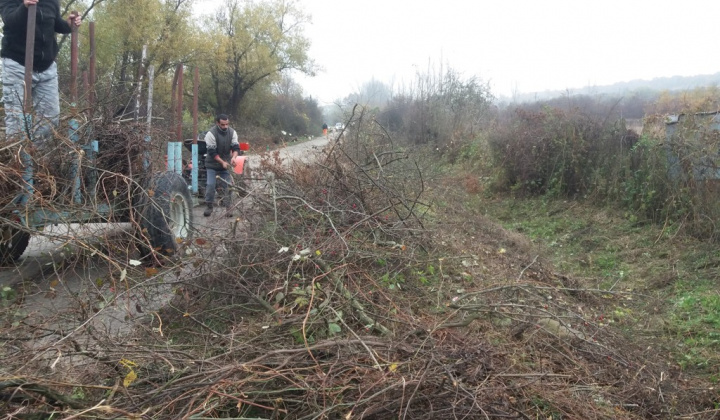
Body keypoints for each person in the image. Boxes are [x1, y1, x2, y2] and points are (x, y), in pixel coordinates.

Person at [0, 0, 82, 147]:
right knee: (17, 118)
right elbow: (10, 20)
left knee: (50, 119)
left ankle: (38, 162)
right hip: (17, 63)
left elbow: (54, 23)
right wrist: (25, 6)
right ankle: (16, 165)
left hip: (46, 67)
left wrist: (68, 25)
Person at [203, 114, 241, 217]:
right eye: (222, 125)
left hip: (226, 165)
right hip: (212, 164)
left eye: (227, 124)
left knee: (227, 186)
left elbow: (236, 147)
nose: (225, 127)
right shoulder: (211, 134)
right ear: (217, 123)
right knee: (211, 185)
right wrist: (222, 162)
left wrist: (233, 157)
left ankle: (228, 208)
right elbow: (212, 152)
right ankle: (209, 206)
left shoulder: (232, 132)